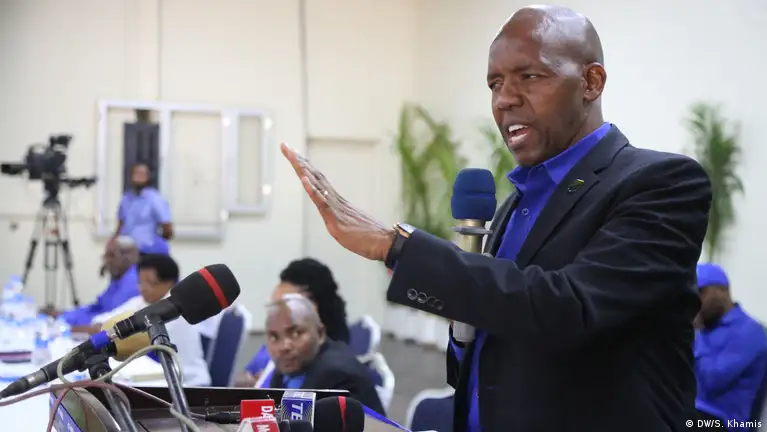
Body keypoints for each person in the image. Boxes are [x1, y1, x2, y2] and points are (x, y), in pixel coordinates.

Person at [281, 4, 711, 431]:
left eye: (529, 76)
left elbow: (570, 308)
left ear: (591, 82)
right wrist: (463, 326)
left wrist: (397, 246)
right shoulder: (512, 207)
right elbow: (490, 354)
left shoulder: (661, 183)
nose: (505, 99)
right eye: (495, 83)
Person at [91, 254, 211, 386]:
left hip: (189, 383)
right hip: (160, 379)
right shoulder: (142, 301)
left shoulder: (177, 311)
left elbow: (126, 339)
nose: (142, 288)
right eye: (140, 282)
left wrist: (108, 332)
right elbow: (102, 321)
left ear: (169, 283)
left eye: (150, 282)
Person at [233, 258, 349, 388]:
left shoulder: (333, 373)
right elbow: (247, 375)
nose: (275, 314)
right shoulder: (273, 348)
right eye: (273, 306)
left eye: (283, 307)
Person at [264, 294, 384, 415]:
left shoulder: (338, 376)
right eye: (274, 337)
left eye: (296, 333)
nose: (284, 346)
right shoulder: (289, 365)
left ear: (320, 333)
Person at [694, 263, 767, 430]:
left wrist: (694, 337)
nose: (696, 301)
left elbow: (712, 381)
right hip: (693, 413)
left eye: (701, 292)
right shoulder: (706, 328)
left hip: (724, 422)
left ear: (723, 290)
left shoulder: (749, 331)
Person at [45, 236, 140, 329]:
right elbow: (96, 307)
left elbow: (110, 319)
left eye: (112, 256)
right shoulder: (118, 278)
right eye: (105, 256)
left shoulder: (132, 281)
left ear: (129, 256)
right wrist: (63, 314)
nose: (107, 261)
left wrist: (67, 323)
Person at [111, 162, 173, 256]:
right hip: (127, 252)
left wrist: (158, 244)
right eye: (136, 173)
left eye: (142, 174)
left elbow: (167, 228)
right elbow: (121, 224)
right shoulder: (125, 199)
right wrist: (113, 242)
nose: (139, 177)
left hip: (148, 252)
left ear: (147, 177)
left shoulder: (155, 199)